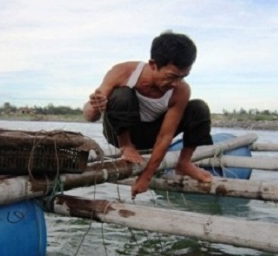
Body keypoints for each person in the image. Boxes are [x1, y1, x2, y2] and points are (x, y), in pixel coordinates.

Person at [83, 31, 214, 198]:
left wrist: (146, 176)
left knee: (199, 108)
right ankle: (127, 146)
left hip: (150, 135)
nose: (175, 83)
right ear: (153, 64)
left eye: (182, 77)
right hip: (118, 134)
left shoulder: (180, 90)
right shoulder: (123, 72)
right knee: (122, 94)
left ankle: (184, 163)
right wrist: (95, 106)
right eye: (171, 76)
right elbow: (90, 116)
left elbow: (165, 136)